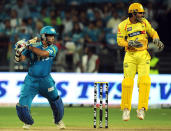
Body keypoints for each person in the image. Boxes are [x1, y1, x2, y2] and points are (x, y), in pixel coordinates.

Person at [117, 3, 164, 121]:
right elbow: (119, 40)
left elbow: (152, 31)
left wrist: (156, 38)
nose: (142, 15)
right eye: (140, 13)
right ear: (132, 13)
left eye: (142, 13)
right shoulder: (123, 25)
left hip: (143, 55)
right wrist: (129, 43)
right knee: (127, 83)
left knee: (145, 81)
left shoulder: (144, 22)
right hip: (130, 56)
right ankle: (126, 110)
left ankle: (141, 108)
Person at [14, 26, 65, 129]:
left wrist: (28, 46)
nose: (53, 38)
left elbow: (44, 54)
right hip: (31, 80)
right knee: (22, 105)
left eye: (53, 36)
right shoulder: (33, 45)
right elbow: (20, 59)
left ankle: (58, 120)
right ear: (43, 36)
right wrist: (19, 51)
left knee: (56, 101)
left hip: (46, 80)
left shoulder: (54, 48)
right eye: (50, 36)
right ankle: (27, 122)